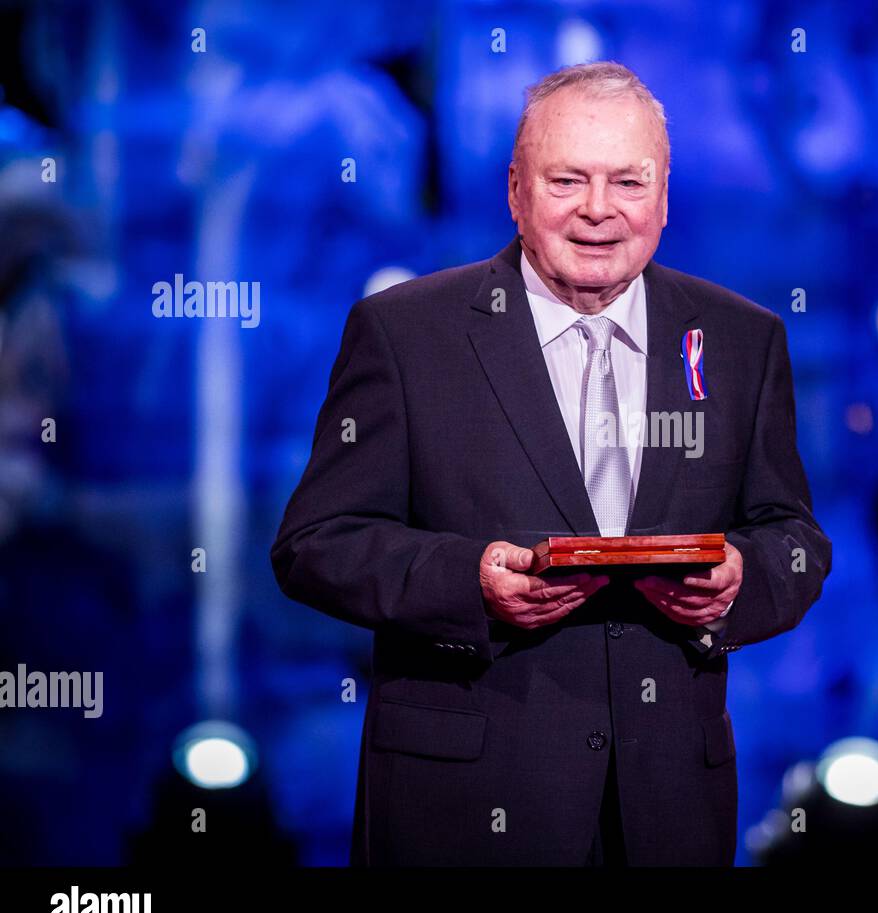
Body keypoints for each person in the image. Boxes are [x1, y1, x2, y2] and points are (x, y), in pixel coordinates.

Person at [270, 60, 830, 865]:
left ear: (664, 196)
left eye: (628, 184)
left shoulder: (740, 340)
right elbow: (315, 544)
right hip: (463, 812)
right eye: (567, 180)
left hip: (667, 813)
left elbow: (794, 538)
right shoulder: (407, 334)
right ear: (515, 191)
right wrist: (470, 582)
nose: (599, 211)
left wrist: (741, 576)